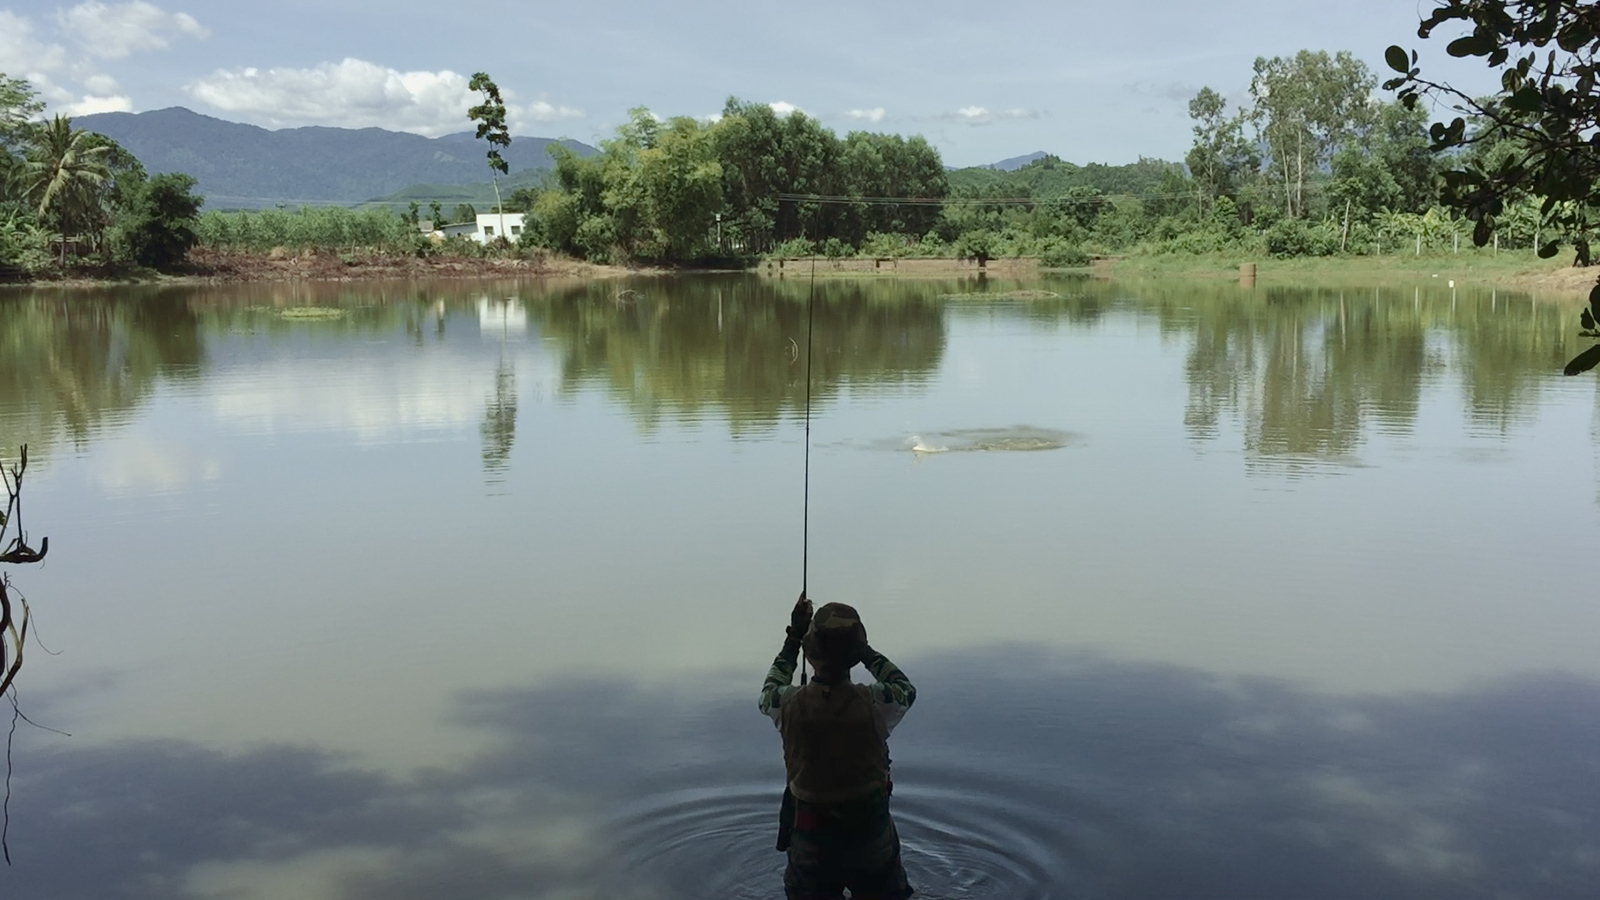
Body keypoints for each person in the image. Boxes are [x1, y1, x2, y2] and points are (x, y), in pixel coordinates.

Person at [759, 593, 917, 900]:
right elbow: (905, 689)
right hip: (871, 842)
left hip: (809, 846)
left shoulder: (786, 704)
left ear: (812, 652)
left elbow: (768, 689)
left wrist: (793, 638)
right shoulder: (877, 704)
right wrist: (865, 651)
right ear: (855, 656)